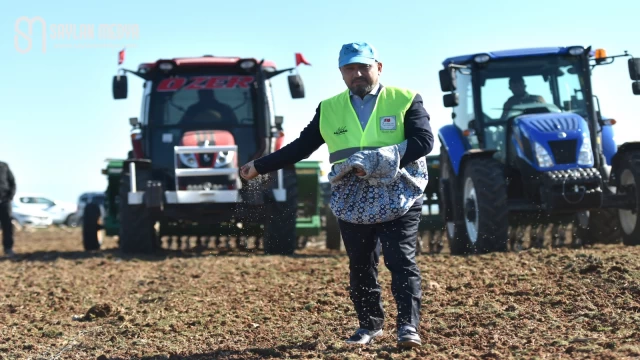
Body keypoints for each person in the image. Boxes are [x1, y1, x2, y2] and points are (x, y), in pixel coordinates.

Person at [239, 41, 434, 348]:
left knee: (399, 260)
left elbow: (423, 142)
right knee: (360, 263)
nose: (357, 73)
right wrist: (260, 166)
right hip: (352, 197)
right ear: (341, 73)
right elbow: (302, 147)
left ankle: (408, 327)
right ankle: (369, 326)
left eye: (364, 67)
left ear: (378, 68)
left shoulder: (405, 99)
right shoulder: (329, 108)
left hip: (399, 192)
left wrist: (375, 160)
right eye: (350, 68)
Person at [0, 161, 16, 258]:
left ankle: (8, 248)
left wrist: (10, 197)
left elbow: (12, 182)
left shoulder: (4, 166)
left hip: (4, 201)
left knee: (7, 226)